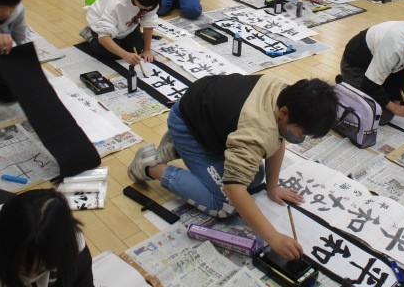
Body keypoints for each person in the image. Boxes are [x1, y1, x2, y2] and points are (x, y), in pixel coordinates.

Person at [128, 74, 338, 260]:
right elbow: (234, 188)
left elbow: (277, 140)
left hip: (209, 118)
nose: (301, 138)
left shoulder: (285, 92)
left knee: (255, 178)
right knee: (224, 205)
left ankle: (178, 148)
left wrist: (272, 187)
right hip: (188, 124)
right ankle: (150, 166)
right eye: (301, 132)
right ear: (283, 113)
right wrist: (273, 237)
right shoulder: (257, 130)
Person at [80, 0, 162, 64]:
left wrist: (146, 50)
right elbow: (104, 36)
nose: (147, 8)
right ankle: (91, 35)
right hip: (101, 24)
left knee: (137, 48)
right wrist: (125, 55)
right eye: (144, 6)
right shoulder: (117, 3)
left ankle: (121, 41)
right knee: (110, 53)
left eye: (150, 6)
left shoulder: (152, 1)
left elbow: (149, 21)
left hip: (126, 25)